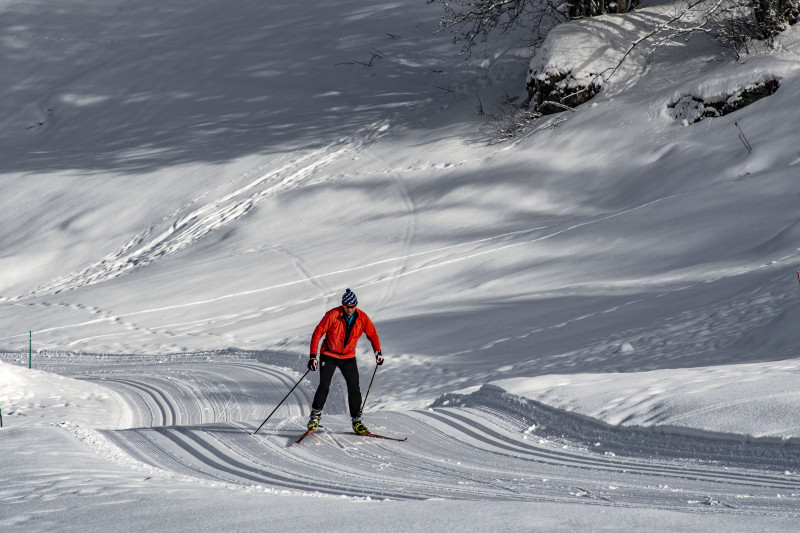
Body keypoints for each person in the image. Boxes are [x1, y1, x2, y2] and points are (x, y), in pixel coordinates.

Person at [306, 288, 384, 434]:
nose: (350, 309)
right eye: (347, 307)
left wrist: (377, 352)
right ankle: (315, 417)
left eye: (353, 307)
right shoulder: (333, 315)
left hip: (348, 356)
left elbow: (373, 335)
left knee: (354, 388)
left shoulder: (362, 318)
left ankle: (357, 422)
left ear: (356, 305)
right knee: (324, 385)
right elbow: (318, 332)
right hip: (329, 354)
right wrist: (312, 356)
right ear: (343, 306)